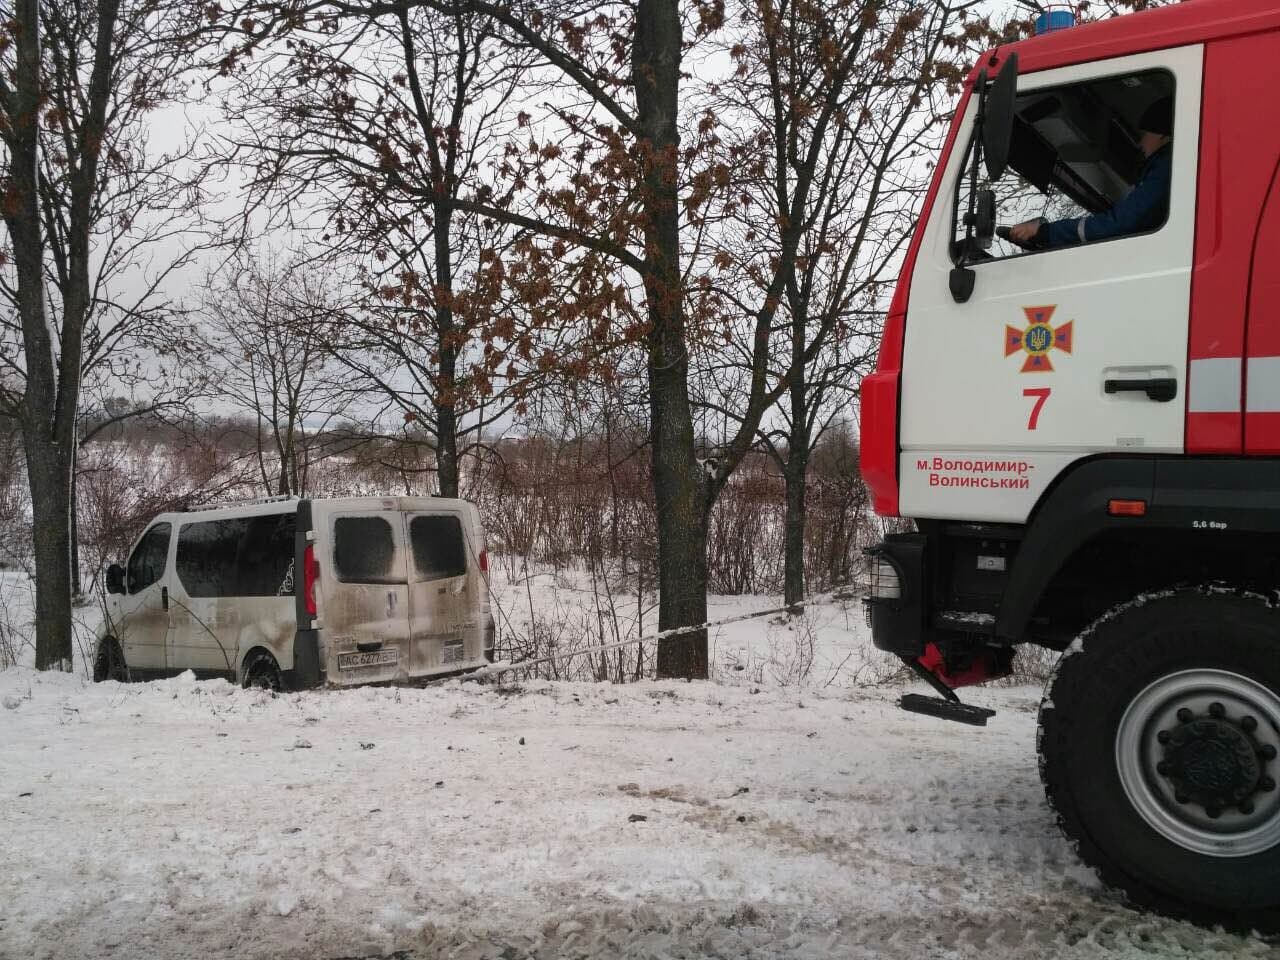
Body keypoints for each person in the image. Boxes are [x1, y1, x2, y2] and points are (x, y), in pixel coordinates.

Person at [1008, 96, 1173, 249]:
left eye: (1145, 134)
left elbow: (1121, 223)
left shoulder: (1165, 169)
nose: (1140, 142)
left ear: (1162, 134)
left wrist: (1045, 233)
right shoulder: (1165, 169)